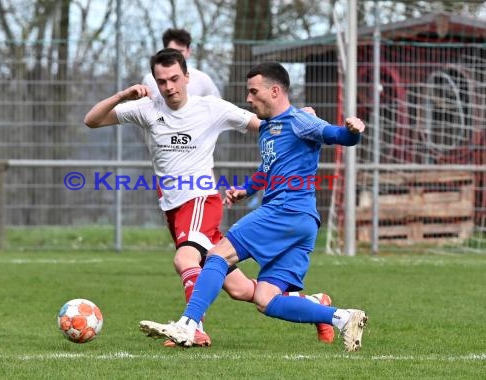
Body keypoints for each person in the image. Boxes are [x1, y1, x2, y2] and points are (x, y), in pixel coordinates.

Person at [85, 50, 333, 348]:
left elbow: (269, 123)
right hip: (174, 208)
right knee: (242, 290)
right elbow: (92, 120)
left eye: (175, 78)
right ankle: (316, 307)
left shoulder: (211, 108)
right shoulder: (146, 108)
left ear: (188, 77)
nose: (169, 87)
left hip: (202, 199)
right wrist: (123, 95)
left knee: (184, 258)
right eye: (162, 81)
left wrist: (302, 118)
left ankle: (193, 328)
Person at [139, 62, 369, 352]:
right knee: (265, 298)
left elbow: (337, 135)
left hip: (286, 211)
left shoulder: (300, 121)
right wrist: (245, 190)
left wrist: (353, 131)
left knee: (217, 255)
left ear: (274, 91)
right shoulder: (269, 128)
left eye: (253, 91)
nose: (248, 99)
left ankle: (189, 324)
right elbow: (267, 168)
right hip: (302, 222)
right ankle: (342, 317)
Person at [142, 28, 220, 98]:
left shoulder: (202, 80)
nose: (175, 55)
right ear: (165, 50)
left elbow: (218, 107)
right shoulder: (149, 80)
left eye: (180, 51)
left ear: (188, 51)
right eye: (171, 50)